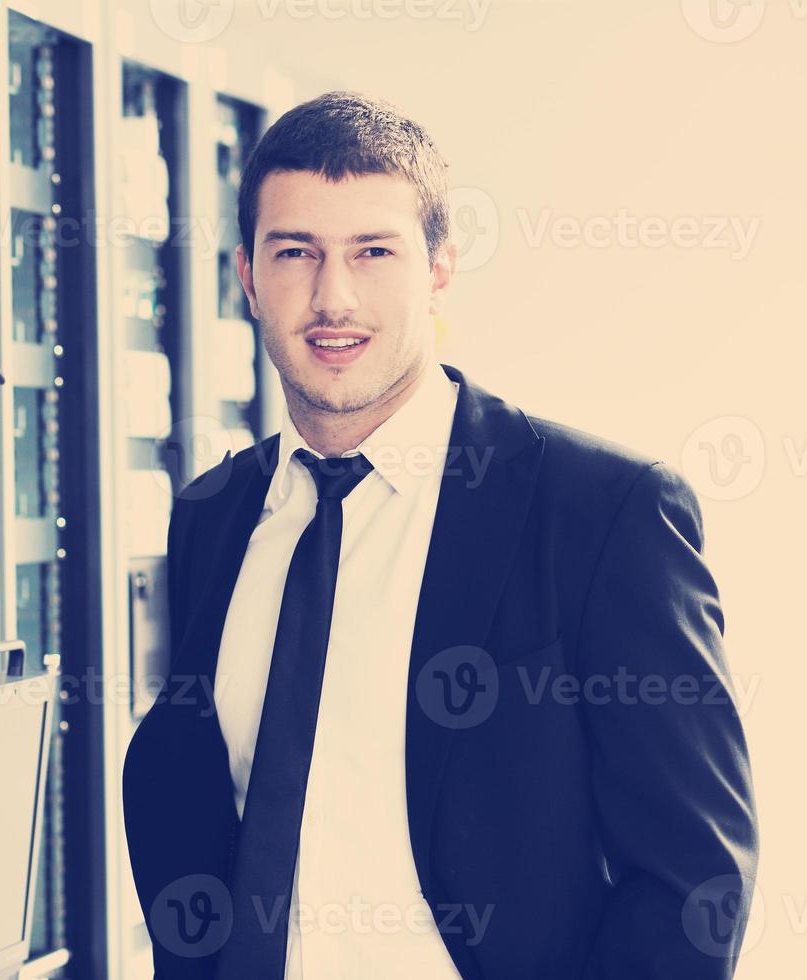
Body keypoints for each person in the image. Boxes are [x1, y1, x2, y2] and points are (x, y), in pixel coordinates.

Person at [122, 91, 758, 980]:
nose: (330, 296)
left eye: (372, 252)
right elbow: (195, 811)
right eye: (294, 252)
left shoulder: (600, 512)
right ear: (246, 277)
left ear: (438, 268)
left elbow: (694, 883)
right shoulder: (214, 516)